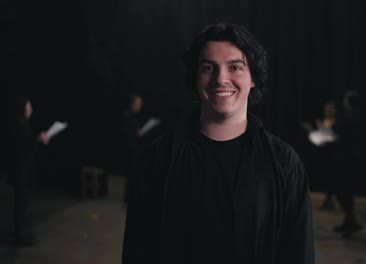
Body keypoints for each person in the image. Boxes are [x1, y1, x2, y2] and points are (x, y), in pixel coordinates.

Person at [122, 23, 315, 263]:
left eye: (235, 67)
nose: (221, 78)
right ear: (195, 78)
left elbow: (299, 253)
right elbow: (137, 252)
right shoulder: (157, 158)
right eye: (208, 67)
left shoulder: (284, 163)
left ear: (253, 77)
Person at [12, 96, 49, 247]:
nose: (31, 109)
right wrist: (38, 139)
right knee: (21, 203)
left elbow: (27, 144)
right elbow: (24, 147)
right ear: (24, 109)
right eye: (29, 106)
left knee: (23, 202)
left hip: (23, 169)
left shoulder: (22, 124)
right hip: (21, 170)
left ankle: (23, 231)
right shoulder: (19, 125)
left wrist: (38, 139)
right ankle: (21, 235)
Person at [331, 90, 363, 238]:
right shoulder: (355, 118)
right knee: (346, 193)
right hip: (350, 160)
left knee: (344, 192)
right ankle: (349, 222)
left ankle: (351, 223)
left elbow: (336, 130)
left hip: (347, 161)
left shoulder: (350, 119)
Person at [314, 99, 338, 210]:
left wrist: (321, 129)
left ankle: (329, 200)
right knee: (328, 178)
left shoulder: (336, 121)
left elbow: (332, 136)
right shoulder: (326, 120)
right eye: (326, 108)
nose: (327, 110)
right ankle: (329, 200)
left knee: (332, 178)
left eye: (330, 108)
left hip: (334, 154)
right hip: (325, 153)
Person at [120, 93, 144, 203]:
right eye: (139, 103)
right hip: (129, 148)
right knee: (131, 173)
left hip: (134, 147)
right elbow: (125, 133)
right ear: (133, 104)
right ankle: (128, 198)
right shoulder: (127, 116)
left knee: (134, 173)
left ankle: (131, 196)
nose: (140, 105)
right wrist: (137, 133)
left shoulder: (134, 116)